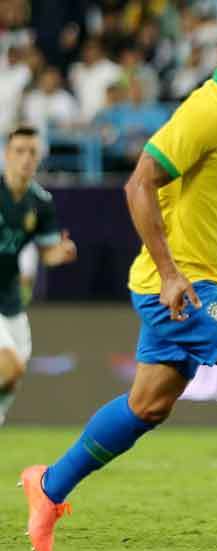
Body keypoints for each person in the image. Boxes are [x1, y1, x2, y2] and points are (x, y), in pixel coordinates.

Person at [19, 11, 217, 551]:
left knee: (147, 406)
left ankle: (47, 488)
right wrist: (169, 274)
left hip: (190, 283)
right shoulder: (205, 111)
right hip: (180, 288)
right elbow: (139, 183)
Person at [0, 126, 78, 425]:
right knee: (10, 365)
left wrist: (61, 252)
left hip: (9, 296)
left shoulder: (40, 202)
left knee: (12, 378)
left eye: (32, 152)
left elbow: (47, 253)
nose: (26, 158)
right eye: (19, 151)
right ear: (7, 155)